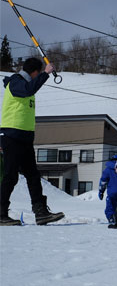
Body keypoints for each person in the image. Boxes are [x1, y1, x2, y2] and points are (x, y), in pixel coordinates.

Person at [1, 58, 64, 226]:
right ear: (34, 72)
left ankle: (40, 212)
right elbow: (29, 89)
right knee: (10, 176)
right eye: (38, 73)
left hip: (24, 138)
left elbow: (30, 90)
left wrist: (43, 75)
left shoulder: (26, 85)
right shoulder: (16, 82)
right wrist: (46, 74)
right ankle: (1, 213)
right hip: (11, 136)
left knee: (33, 176)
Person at [98, 154, 117, 223]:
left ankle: (111, 217)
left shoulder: (107, 170)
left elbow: (103, 182)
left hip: (112, 192)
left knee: (110, 206)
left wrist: (101, 191)